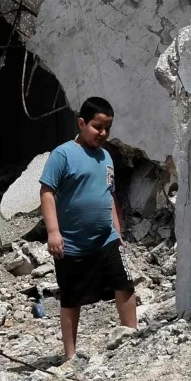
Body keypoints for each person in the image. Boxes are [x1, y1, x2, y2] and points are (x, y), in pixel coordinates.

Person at [39, 96, 137, 361]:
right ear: (81, 123)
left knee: (125, 283)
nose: (102, 133)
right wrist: (53, 232)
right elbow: (47, 192)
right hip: (72, 243)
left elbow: (109, 194)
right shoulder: (63, 155)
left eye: (107, 128)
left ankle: (132, 339)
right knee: (71, 298)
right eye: (97, 127)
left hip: (106, 239)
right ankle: (70, 356)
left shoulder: (106, 157)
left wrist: (117, 230)